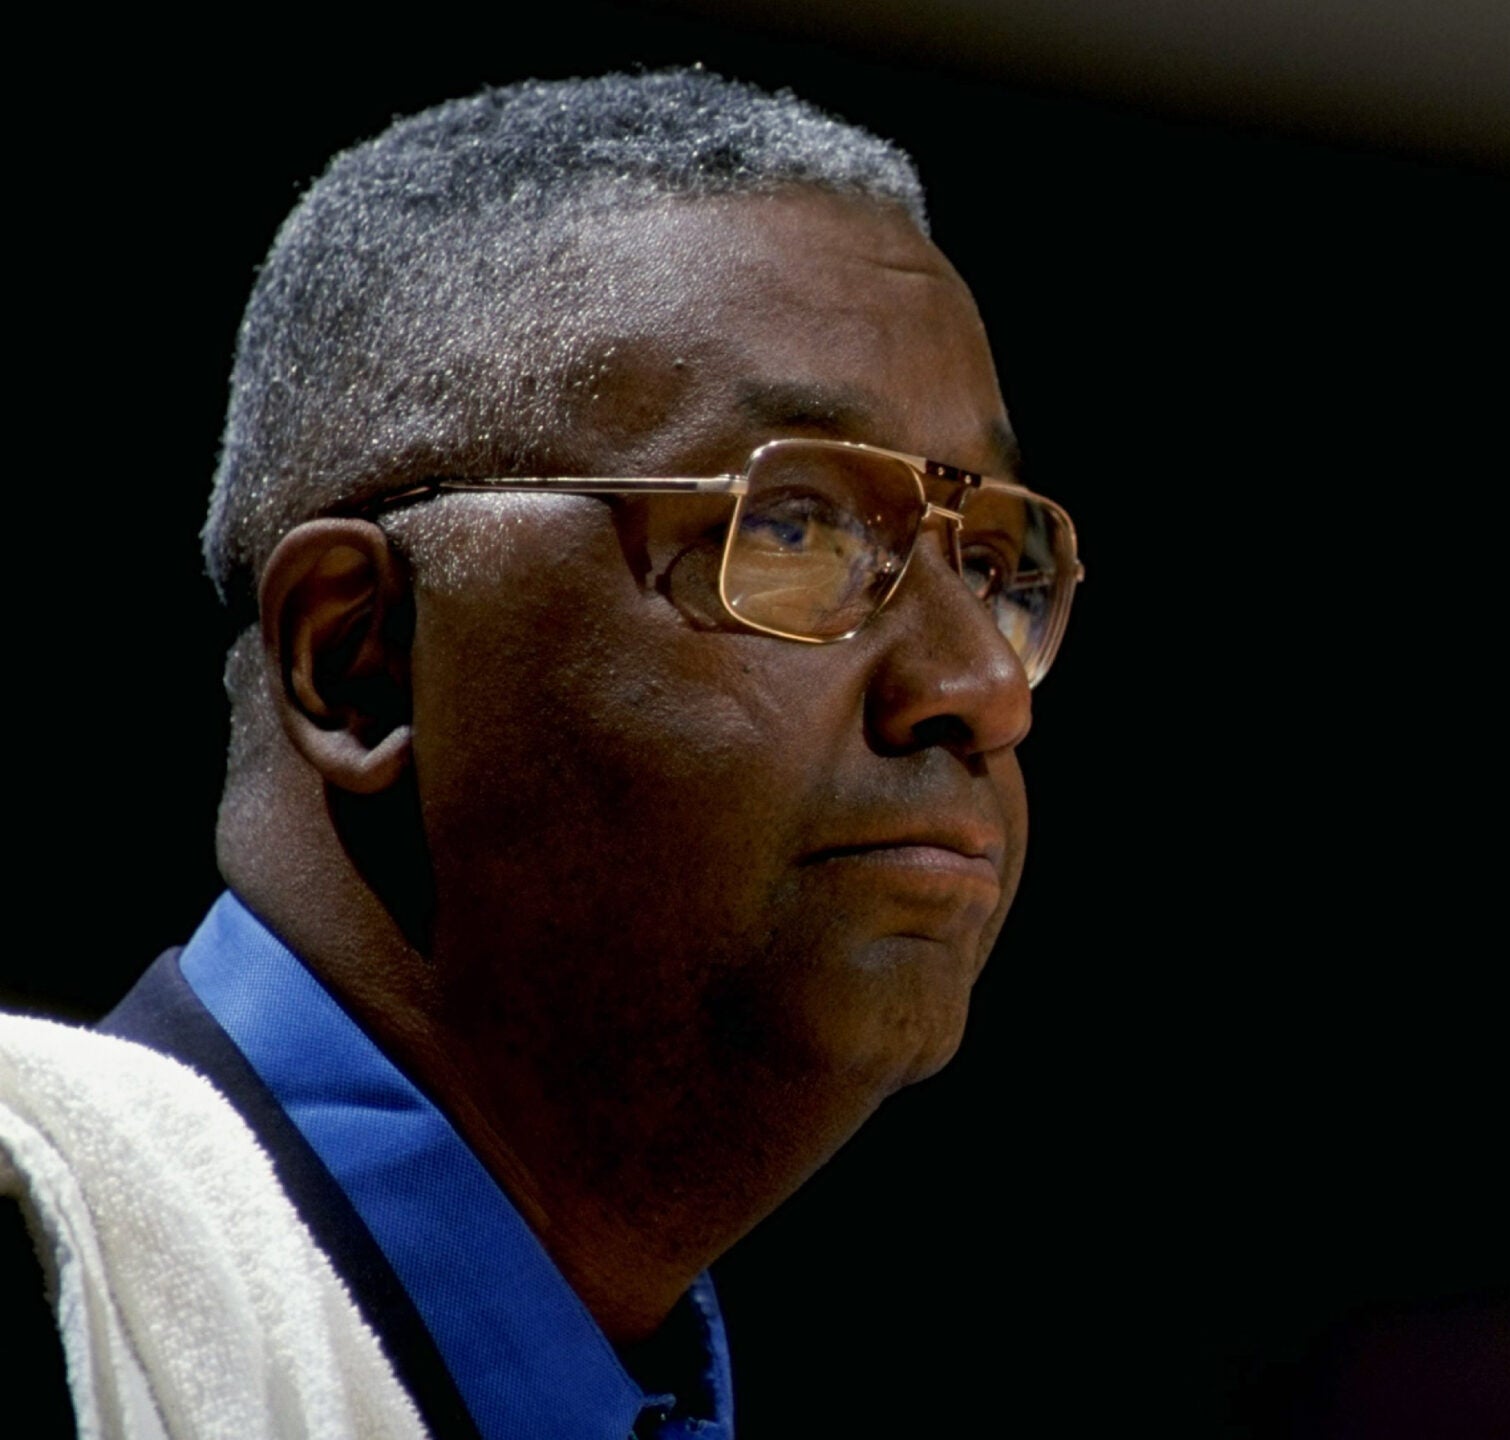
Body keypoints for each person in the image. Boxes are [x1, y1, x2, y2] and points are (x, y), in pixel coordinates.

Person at [2, 68, 1077, 1439]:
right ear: (359, 658)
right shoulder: (44, 1259)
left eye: (990, 560)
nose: (980, 684)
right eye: (794, 526)